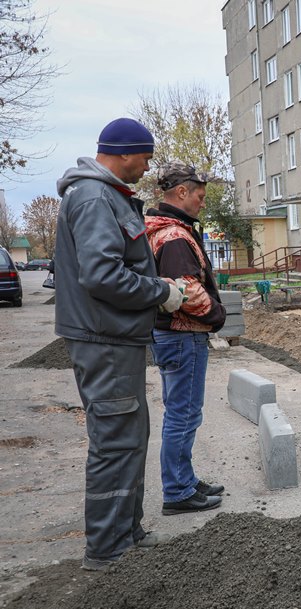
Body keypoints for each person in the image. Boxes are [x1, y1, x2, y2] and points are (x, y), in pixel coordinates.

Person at [54, 118, 185, 571]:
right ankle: (108, 549)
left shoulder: (107, 196)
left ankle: (126, 533)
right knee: (115, 440)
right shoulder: (93, 198)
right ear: (125, 152)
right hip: (102, 337)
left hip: (113, 337)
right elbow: (101, 275)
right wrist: (160, 292)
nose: (147, 166)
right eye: (145, 157)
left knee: (130, 435)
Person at [145, 162, 227, 515]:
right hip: (182, 336)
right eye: (200, 195)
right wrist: (217, 316)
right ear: (182, 193)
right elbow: (187, 290)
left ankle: (186, 479)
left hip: (170, 336)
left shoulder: (162, 229)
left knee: (182, 413)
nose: (202, 203)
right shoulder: (175, 237)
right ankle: (178, 491)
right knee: (184, 415)